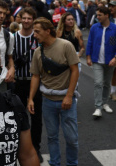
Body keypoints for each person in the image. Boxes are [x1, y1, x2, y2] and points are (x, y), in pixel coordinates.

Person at [27, 18, 80, 166]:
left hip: (66, 101)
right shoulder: (38, 52)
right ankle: (54, 163)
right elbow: (36, 76)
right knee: (52, 137)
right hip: (47, 101)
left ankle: (72, 164)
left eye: (37, 31)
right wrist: (30, 98)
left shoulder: (65, 45)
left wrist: (69, 96)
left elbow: (75, 71)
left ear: (47, 31)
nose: (34, 35)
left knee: (72, 139)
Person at [11, 7, 44, 162]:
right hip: (18, 82)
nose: (26, 21)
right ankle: (17, 147)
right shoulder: (13, 37)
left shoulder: (37, 38)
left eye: (29, 18)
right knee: (16, 116)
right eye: (23, 18)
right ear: (19, 19)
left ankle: (36, 147)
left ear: (33, 20)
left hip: (34, 82)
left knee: (36, 117)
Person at [86, 6, 116, 118]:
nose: (97, 17)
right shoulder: (94, 28)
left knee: (107, 83)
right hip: (97, 60)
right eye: (97, 15)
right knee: (98, 83)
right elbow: (90, 42)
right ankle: (98, 107)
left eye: (99, 15)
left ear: (106, 15)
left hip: (109, 61)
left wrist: (115, 57)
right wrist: (88, 57)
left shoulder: (115, 29)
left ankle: (105, 103)